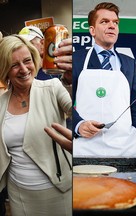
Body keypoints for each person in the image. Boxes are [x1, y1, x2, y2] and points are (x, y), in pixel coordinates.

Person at [0, 35, 72, 215]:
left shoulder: (52, 88)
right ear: (5, 70)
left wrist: (77, 79)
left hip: (59, 190)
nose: (24, 69)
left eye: (27, 61)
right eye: (14, 65)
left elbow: (77, 112)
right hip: (18, 196)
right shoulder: (1, 103)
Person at [72, 2, 136, 157]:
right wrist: (78, 125)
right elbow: (63, 103)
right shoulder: (77, 60)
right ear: (92, 30)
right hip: (86, 146)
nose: (112, 26)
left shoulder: (129, 63)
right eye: (104, 22)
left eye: (115, 23)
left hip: (126, 146)